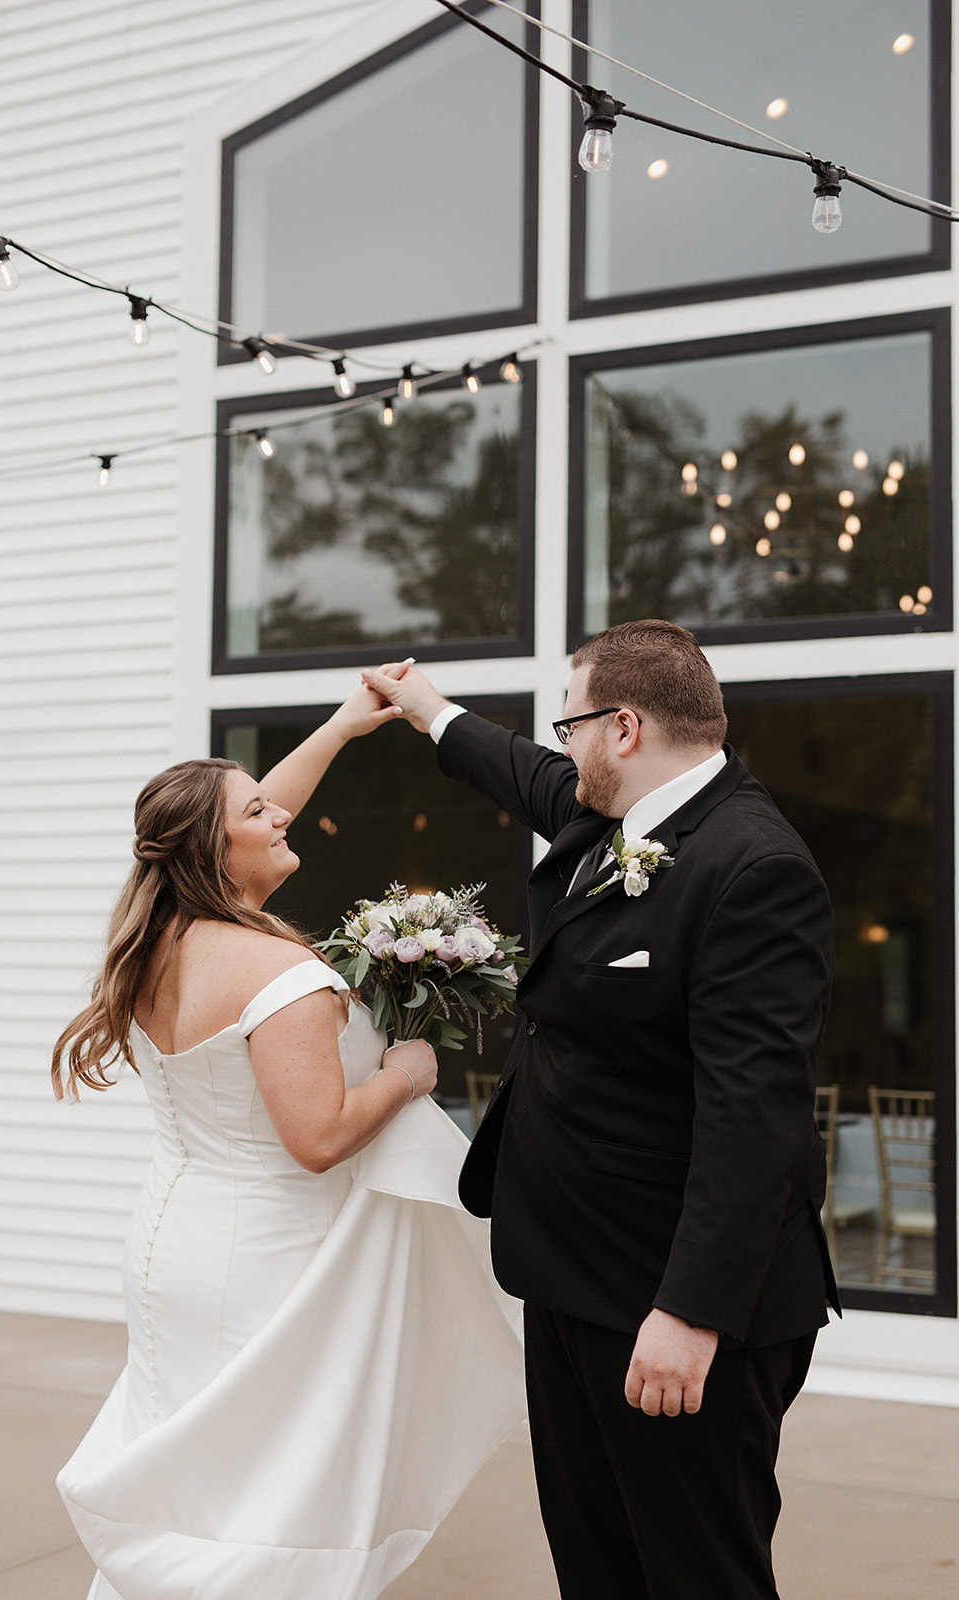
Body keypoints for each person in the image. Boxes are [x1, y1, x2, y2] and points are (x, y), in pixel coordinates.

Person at [364, 620, 840, 1600]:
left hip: (669, 1302)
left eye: (569, 724)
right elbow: (523, 773)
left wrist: (687, 1313)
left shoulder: (752, 868)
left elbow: (754, 1116)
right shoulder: (609, 816)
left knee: (693, 1572)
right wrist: (422, 709)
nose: (560, 747)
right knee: (598, 1564)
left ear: (621, 727)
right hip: (573, 1273)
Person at [52, 687, 525, 1600]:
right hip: (270, 1255)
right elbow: (316, 1139)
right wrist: (405, 1075)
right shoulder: (281, 971)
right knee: (267, 1502)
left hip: (174, 1244)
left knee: (198, 1479)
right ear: (215, 847)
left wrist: (346, 724)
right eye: (258, 812)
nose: (280, 813)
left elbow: (245, 809)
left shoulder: (157, 942)